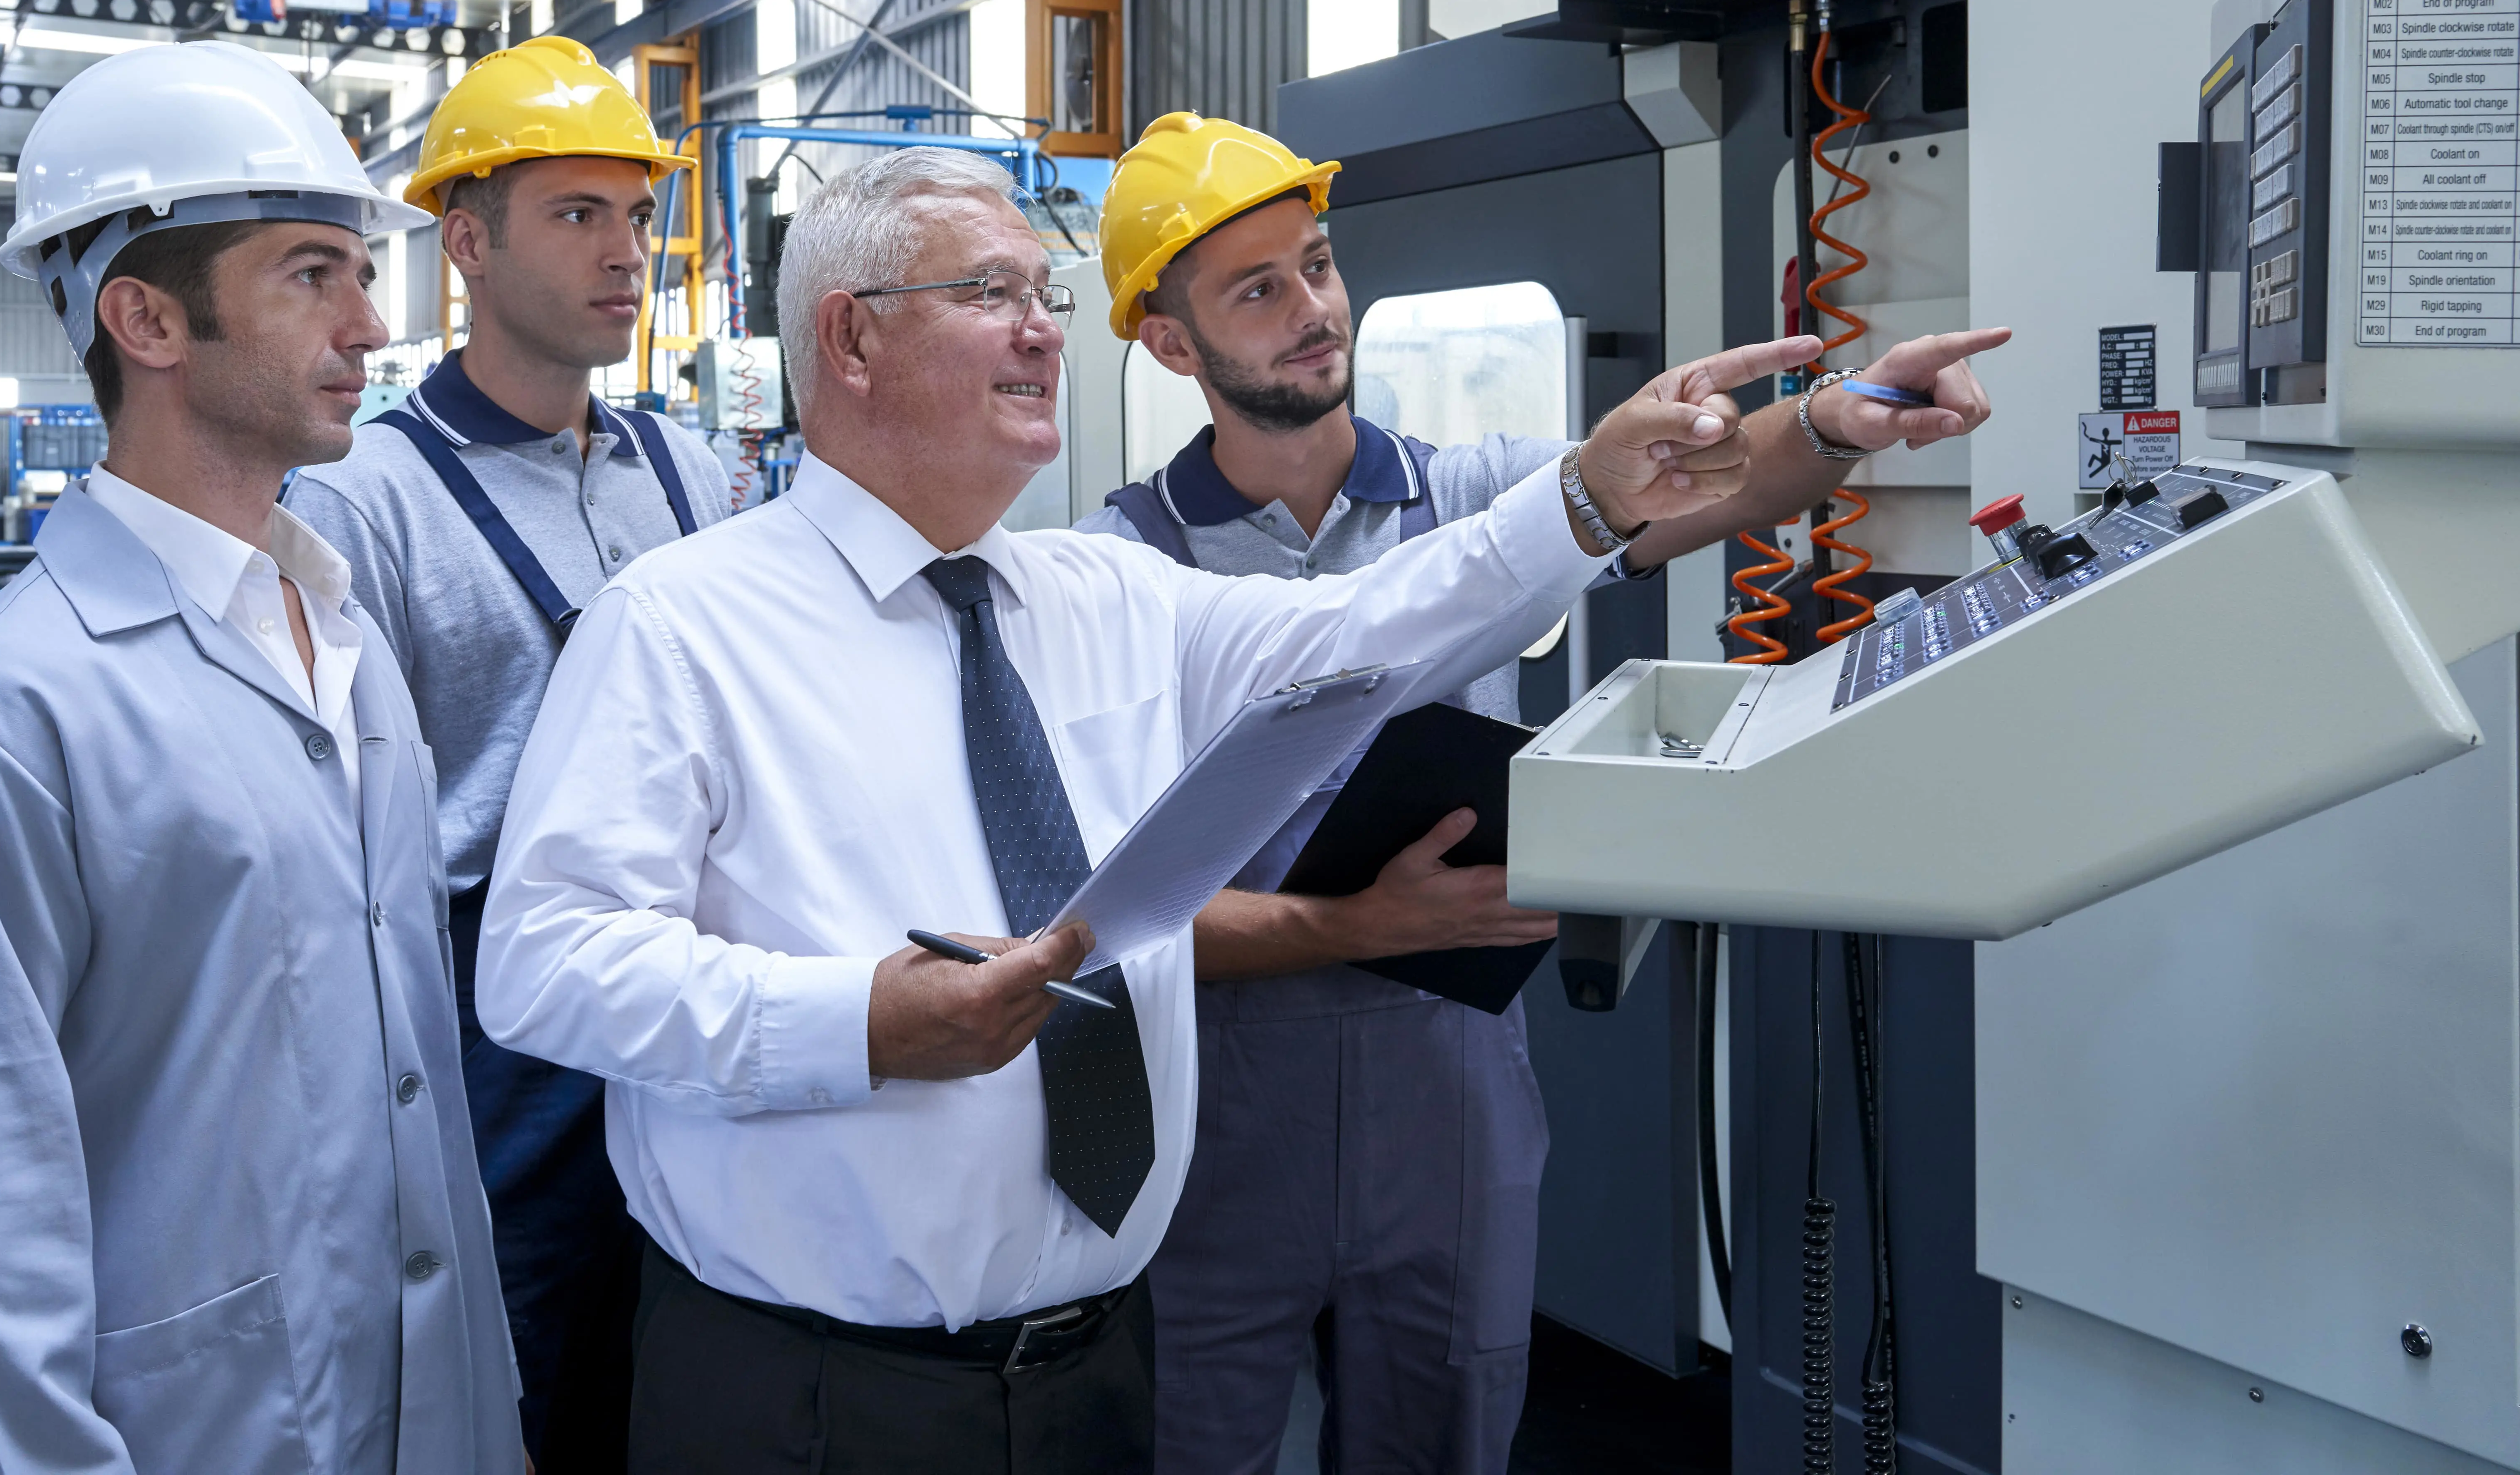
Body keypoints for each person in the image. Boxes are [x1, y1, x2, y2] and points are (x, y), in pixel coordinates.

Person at [474, 144, 1824, 1473]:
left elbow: (1366, 628)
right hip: (819, 1391)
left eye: (1045, 302)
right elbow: (547, 962)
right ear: (853, 337)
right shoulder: (682, 626)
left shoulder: (1100, 599)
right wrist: (860, 1023)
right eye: (993, 293)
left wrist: (1587, 500)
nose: (1042, 335)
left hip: (1099, 1370)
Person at [1084, 111, 2007, 1475]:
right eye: (1257, 288)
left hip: (1445, 1079)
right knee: (1192, 1442)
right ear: (1170, 343)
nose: (1313, 310)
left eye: (1320, 266)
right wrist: (1350, 928)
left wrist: (1836, 417)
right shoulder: (1120, 568)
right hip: (1222, 1091)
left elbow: (1698, 488)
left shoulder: (1477, 496)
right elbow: (1105, 912)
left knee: (1448, 1430)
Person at [0, 41, 518, 1473]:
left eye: (360, 276)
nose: (372, 326)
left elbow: (418, 1107)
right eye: (313, 274)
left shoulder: (346, 649)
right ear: (145, 316)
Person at [286, 34, 729, 1470]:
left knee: (685, 1357)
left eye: (639, 216)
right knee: (521, 1381)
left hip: (690, 969)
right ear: (466, 243)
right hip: (497, 1025)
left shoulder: (692, 472)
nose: (627, 255)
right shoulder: (369, 501)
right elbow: (345, 834)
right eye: (578, 215)